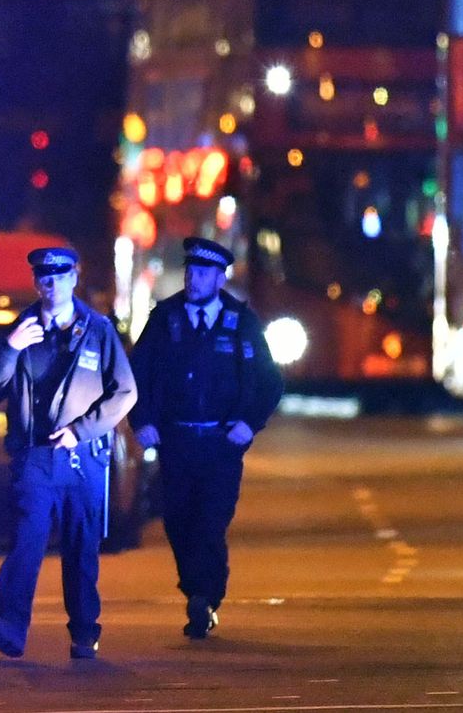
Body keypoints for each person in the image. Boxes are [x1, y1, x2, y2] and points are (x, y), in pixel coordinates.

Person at [0, 246, 135, 660]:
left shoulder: (97, 330)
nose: (51, 283)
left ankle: (85, 631)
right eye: (43, 277)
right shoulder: (22, 329)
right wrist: (10, 348)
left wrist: (82, 431)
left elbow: (125, 392)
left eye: (59, 275)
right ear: (36, 282)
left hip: (82, 459)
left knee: (81, 547)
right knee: (26, 540)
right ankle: (12, 628)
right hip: (34, 456)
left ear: (73, 277)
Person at [129, 236, 283, 639]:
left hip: (221, 444)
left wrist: (249, 423)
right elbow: (137, 374)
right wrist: (142, 420)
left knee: (211, 521)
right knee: (178, 521)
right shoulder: (165, 318)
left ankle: (205, 597)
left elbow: (269, 381)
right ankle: (197, 588)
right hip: (175, 442)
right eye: (191, 272)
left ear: (219, 278)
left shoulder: (240, 321)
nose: (194, 280)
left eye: (203, 273)